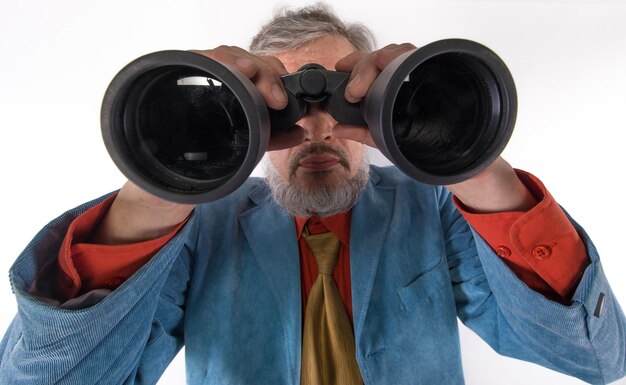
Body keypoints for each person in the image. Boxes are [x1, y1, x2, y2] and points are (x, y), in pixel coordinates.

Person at [0, 3, 624, 385]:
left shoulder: (431, 206)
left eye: (351, 105)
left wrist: (463, 152)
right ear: (250, 121)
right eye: (283, 112)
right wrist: (161, 177)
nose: (319, 127)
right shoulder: (202, 225)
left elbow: (598, 359)